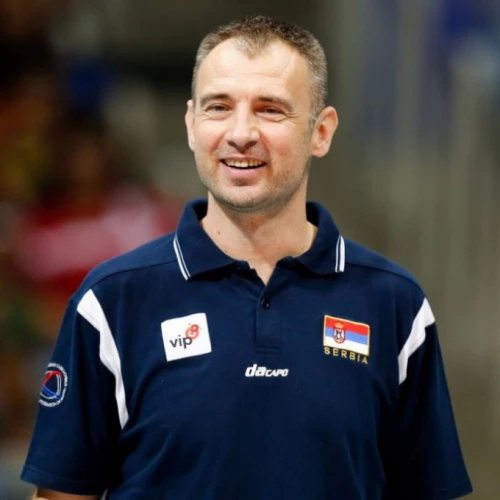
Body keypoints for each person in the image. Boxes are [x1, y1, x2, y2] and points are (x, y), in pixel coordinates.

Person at [21, 15, 472, 500]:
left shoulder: (396, 305)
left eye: (270, 109)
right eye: (219, 107)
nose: (240, 133)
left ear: (321, 132)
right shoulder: (111, 302)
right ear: (192, 125)